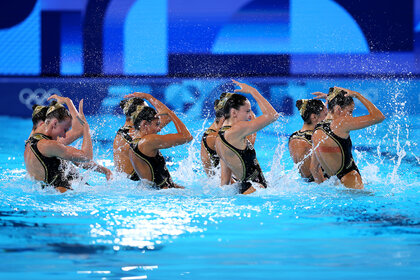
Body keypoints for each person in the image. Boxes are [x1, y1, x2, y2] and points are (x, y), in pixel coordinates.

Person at [24, 100, 110, 193]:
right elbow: (87, 156)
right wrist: (86, 128)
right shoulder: (48, 145)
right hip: (65, 197)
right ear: (53, 123)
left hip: (52, 195)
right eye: (64, 130)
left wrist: (105, 171)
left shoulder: (31, 143)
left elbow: (76, 159)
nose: (64, 135)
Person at [311, 87, 385, 189]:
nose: (351, 115)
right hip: (351, 178)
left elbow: (313, 168)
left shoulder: (316, 129)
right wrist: (358, 95)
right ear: (338, 109)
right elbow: (379, 117)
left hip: (334, 183)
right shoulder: (341, 124)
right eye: (350, 111)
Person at [215, 80, 279, 194]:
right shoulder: (238, 128)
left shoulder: (219, 139)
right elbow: (272, 115)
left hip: (244, 190)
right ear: (234, 113)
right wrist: (253, 91)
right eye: (247, 111)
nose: (250, 115)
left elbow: (225, 180)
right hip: (255, 190)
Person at [125, 92, 193, 189]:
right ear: (145, 124)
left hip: (152, 192)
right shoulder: (149, 141)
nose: (159, 128)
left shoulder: (135, 139)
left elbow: (166, 117)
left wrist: (148, 97)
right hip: (163, 195)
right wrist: (171, 113)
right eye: (157, 124)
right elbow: (187, 137)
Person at [114, 96, 171, 180]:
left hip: (126, 183)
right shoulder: (138, 131)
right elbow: (168, 116)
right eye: (146, 110)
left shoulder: (123, 133)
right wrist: (148, 97)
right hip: (139, 185)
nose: (150, 114)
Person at [201, 93, 257, 178]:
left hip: (223, 185)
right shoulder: (216, 136)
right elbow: (246, 154)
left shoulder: (213, 133)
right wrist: (253, 123)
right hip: (228, 186)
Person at [288, 99, 327, 181]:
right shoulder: (312, 139)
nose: (327, 118)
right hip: (319, 187)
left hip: (307, 185)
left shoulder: (294, 136)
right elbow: (315, 172)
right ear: (314, 117)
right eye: (325, 114)